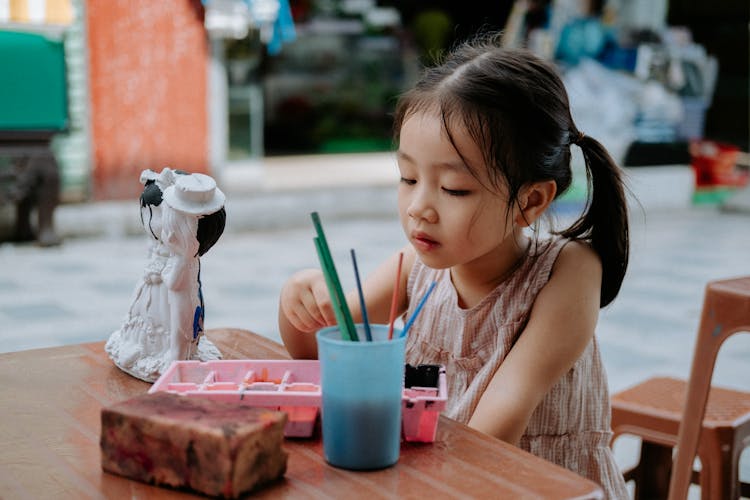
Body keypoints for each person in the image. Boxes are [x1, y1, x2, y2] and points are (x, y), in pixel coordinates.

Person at [278, 33, 629, 497]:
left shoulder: (569, 271)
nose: (419, 207)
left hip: (530, 485)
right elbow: (318, 353)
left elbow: (500, 419)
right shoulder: (412, 270)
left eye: (454, 189)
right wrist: (298, 298)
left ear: (530, 200)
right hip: (438, 480)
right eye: (408, 178)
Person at [106, 169, 226, 382]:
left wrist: (177, 355)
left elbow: (181, 309)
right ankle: (148, 348)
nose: (150, 222)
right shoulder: (169, 249)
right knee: (147, 318)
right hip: (152, 293)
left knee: (175, 321)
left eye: (158, 214)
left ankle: (175, 356)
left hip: (169, 300)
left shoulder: (183, 261)